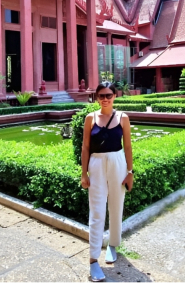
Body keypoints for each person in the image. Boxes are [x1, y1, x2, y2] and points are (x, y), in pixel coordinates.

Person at [80, 82, 134, 282]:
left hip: (118, 162)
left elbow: (127, 146)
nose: (105, 99)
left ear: (115, 96)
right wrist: (84, 173)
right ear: (96, 97)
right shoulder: (90, 118)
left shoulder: (123, 118)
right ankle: (93, 259)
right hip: (96, 163)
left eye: (108, 95)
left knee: (116, 205)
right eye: (101, 95)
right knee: (97, 211)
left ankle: (113, 244)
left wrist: (130, 171)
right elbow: (85, 147)